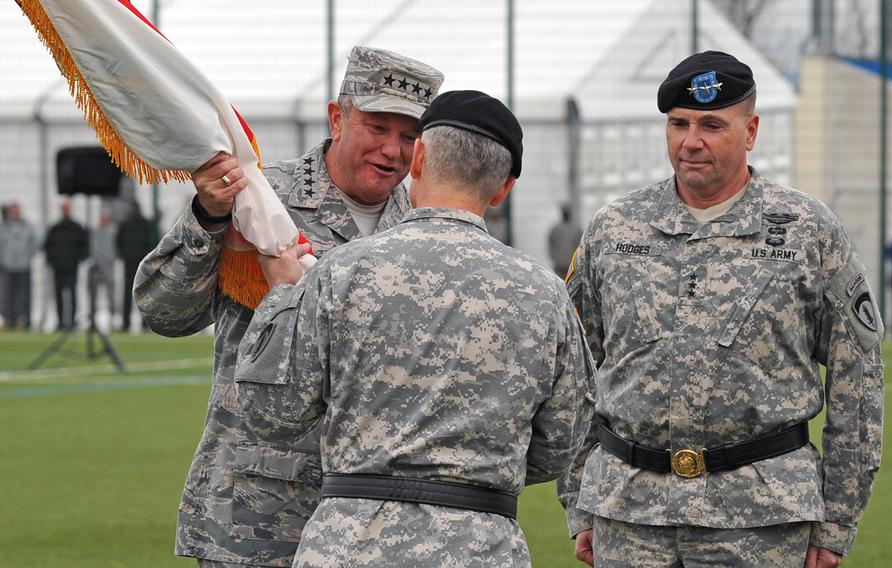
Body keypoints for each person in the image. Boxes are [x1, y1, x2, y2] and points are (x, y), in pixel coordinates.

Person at [234, 90, 593, 567]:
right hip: (480, 543)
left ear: (418, 157)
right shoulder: (545, 294)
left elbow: (271, 413)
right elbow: (561, 441)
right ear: (505, 187)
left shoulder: (340, 272)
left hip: (349, 542)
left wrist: (281, 293)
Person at [560, 51, 884, 568]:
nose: (691, 141)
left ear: (751, 130)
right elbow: (573, 369)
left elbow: (857, 381)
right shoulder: (614, 229)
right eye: (678, 124)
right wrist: (579, 498)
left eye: (712, 124)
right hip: (629, 515)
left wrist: (838, 519)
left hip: (760, 520)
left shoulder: (806, 230)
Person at [134, 46, 443, 567]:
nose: (393, 150)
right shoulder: (258, 198)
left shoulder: (427, 227)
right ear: (337, 118)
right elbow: (165, 314)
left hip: (377, 523)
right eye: (378, 127)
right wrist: (208, 219)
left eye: (410, 136)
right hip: (258, 513)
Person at [44, 199, 89, 331]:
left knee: (72, 294)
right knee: (58, 295)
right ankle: (60, 321)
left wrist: (79, 259)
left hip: (72, 266)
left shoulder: (77, 227)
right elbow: (48, 247)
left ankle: (73, 321)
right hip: (58, 267)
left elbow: (84, 246)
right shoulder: (55, 228)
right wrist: (52, 262)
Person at [116, 200, 154, 331]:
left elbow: (119, 242)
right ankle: (135, 323)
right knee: (140, 293)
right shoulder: (144, 224)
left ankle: (131, 323)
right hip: (137, 263)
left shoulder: (129, 224)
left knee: (136, 293)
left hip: (136, 263)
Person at [0, 203, 39, 330]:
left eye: (17, 211)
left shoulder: (28, 227)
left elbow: (35, 243)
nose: (15, 214)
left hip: (23, 267)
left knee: (24, 295)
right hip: (8, 267)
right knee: (7, 295)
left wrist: (28, 257)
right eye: (13, 211)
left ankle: (24, 321)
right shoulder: (4, 227)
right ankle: (9, 320)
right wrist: (3, 259)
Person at [89, 209, 117, 327]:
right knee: (93, 293)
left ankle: (113, 318)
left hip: (109, 267)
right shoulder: (95, 232)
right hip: (96, 266)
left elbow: (114, 249)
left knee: (110, 293)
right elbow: (93, 248)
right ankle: (92, 318)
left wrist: (109, 260)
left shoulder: (113, 232)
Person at [547, 203, 583, 278]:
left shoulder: (577, 230)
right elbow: (551, 246)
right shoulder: (555, 230)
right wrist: (557, 260)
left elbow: (580, 247)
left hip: (573, 266)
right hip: (559, 267)